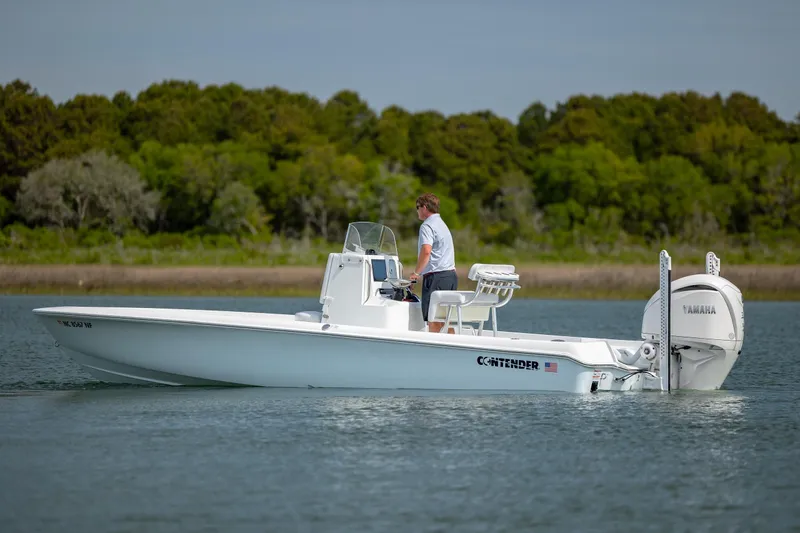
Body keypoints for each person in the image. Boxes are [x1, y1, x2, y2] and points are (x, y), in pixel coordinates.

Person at [409, 193, 458, 333]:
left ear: (424, 207)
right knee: (445, 320)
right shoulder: (442, 224)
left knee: (434, 320)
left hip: (436, 277)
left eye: (417, 207)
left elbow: (426, 251)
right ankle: (451, 345)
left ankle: (439, 346)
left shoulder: (427, 226)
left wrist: (416, 273)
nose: (417, 211)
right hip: (450, 276)